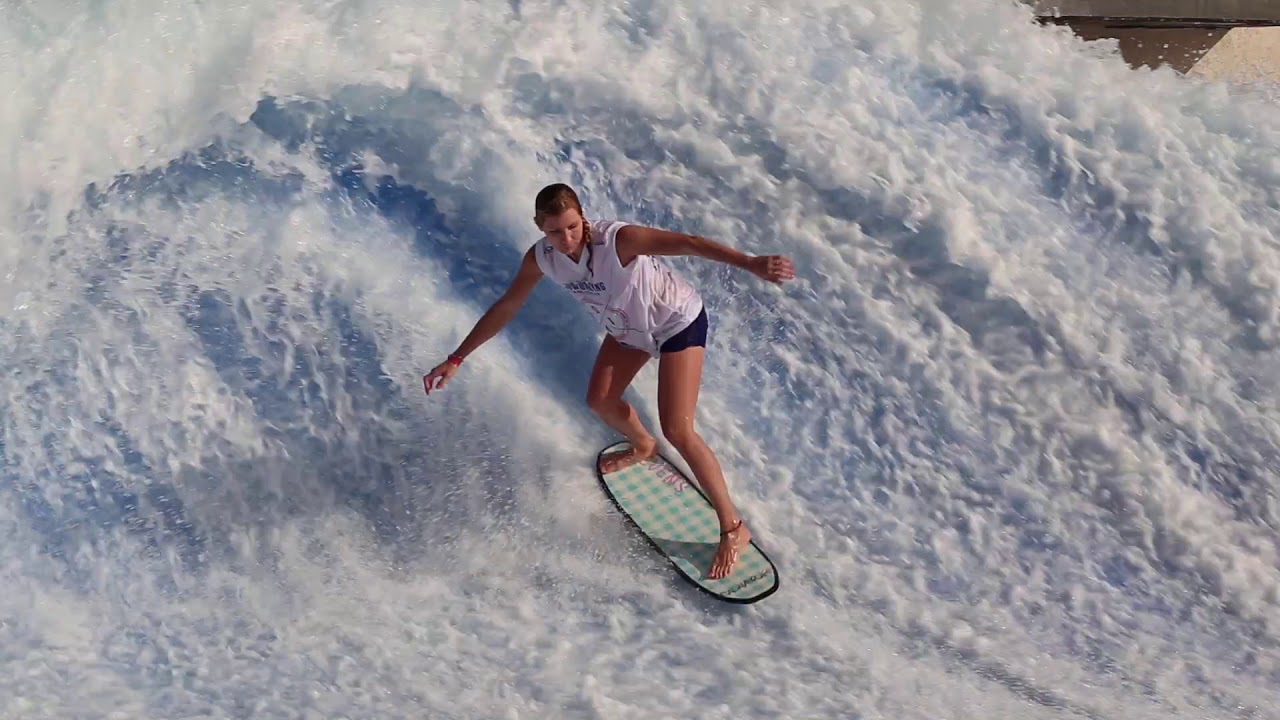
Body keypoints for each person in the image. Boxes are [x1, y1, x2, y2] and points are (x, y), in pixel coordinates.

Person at [422, 183, 796, 579]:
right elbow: (508, 305)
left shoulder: (620, 240)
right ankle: (643, 444)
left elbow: (691, 243)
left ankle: (733, 528)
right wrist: (457, 357)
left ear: (582, 216)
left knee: (679, 429)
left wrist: (751, 263)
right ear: (539, 228)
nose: (566, 239)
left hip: (676, 322)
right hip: (629, 330)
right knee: (600, 401)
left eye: (571, 227)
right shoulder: (543, 258)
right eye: (554, 231)